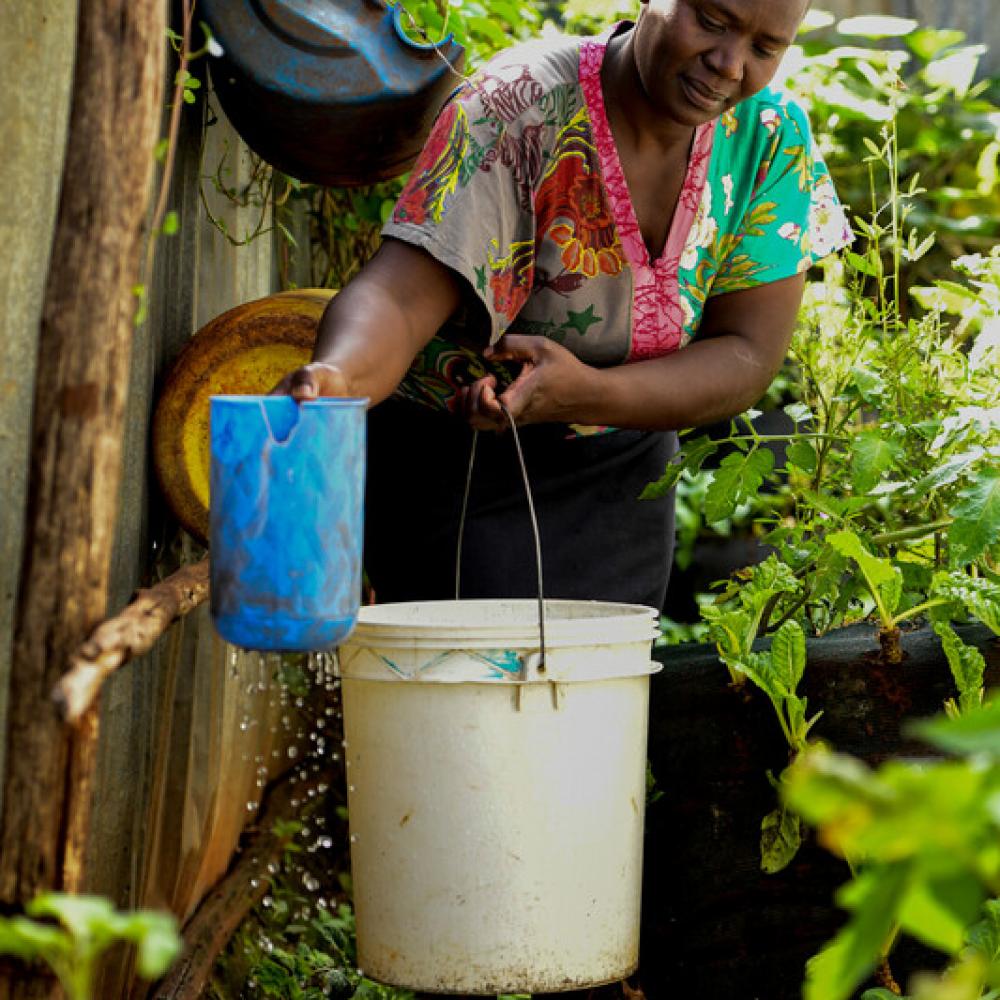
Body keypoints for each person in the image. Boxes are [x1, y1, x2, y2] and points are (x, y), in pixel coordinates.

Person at [276, 0, 852, 611]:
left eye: (764, 48)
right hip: (461, 476)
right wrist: (339, 377)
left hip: (623, 486)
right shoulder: (519, 107)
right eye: (711, 21)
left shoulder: (768, 137)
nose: (729, 64)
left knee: (600, 696)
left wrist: (586, 395)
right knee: (468, 696)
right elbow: (399, 293)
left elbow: (748, 354)